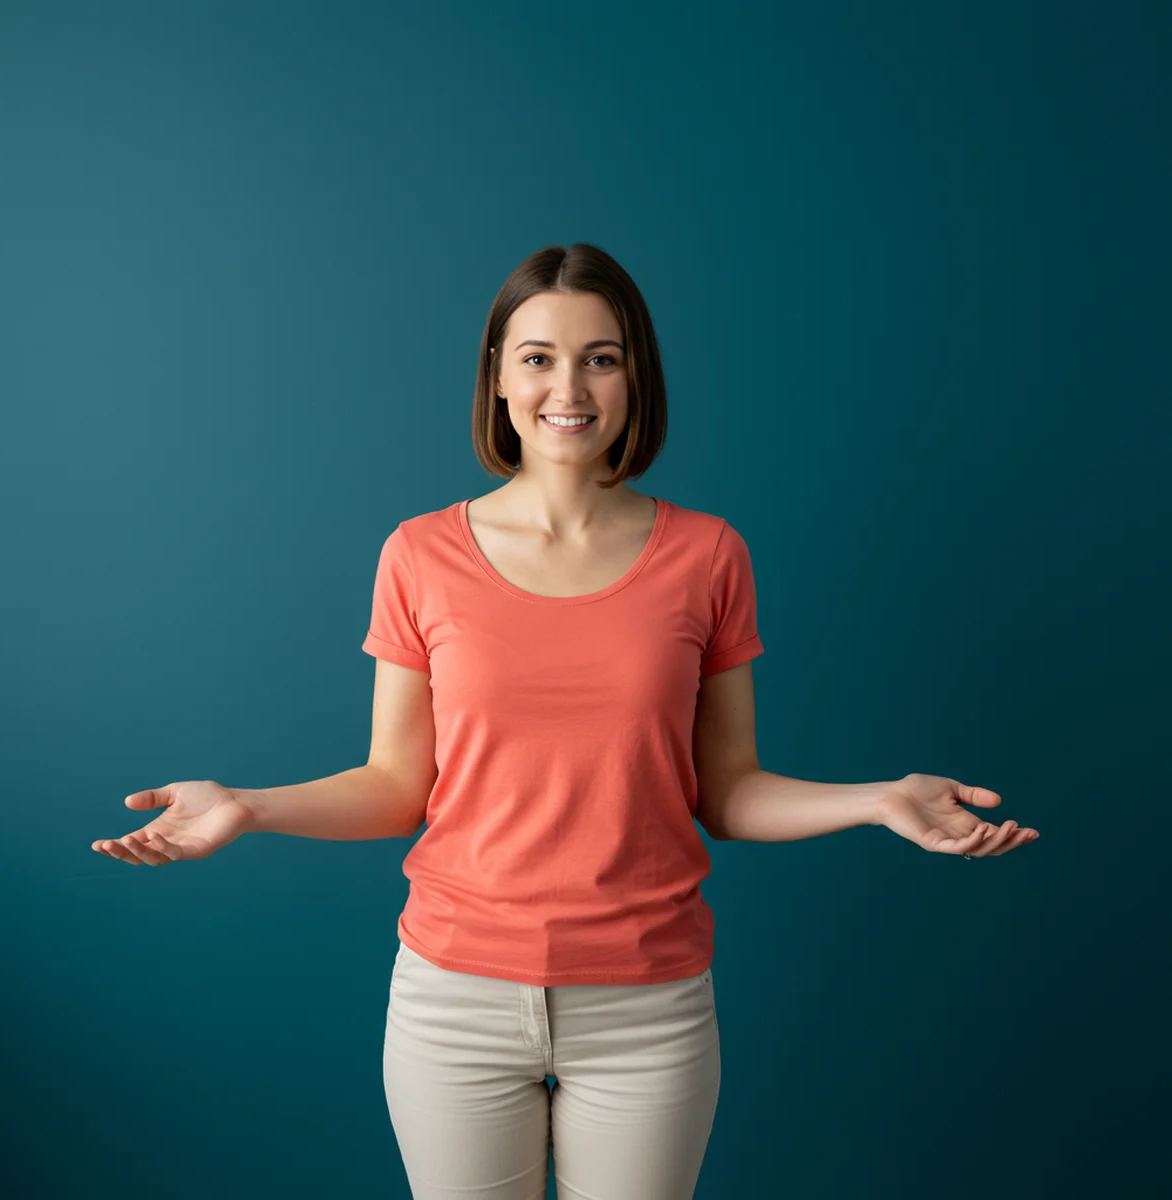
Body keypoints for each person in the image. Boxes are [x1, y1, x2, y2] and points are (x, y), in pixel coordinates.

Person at [90, 243, 1040, 1199]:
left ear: (634, 378)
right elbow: (394, 786)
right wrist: (247, 808)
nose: (569, 385)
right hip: (452, 998)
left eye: (602, 356)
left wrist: (879, 801)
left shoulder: (708, 555)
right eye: (538, 356)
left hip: (649, 1006)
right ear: (498, 377)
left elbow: (729, 789)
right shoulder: (418, 555)